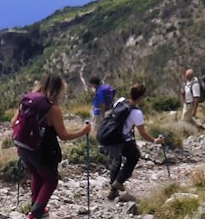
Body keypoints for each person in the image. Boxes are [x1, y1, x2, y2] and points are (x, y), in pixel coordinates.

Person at [11, 74, 91, 219]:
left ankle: (37, 206)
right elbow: (63, 135)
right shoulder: (52, 109)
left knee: (36, 175)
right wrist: (83, 131)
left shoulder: (27, 101)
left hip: (24, 148)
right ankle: (35, 214)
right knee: (51, 180)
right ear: (58, 89)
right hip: (43, 151)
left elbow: (13, 124)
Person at [107, 83, 164, 200]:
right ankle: (119, 181)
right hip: (124, 140)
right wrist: (155, 141)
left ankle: (113, 190)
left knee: (116, 162)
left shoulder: (120, 101)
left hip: (111, 137)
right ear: (141, 97)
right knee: (134, 157)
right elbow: (143, 133)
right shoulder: (136, 113)